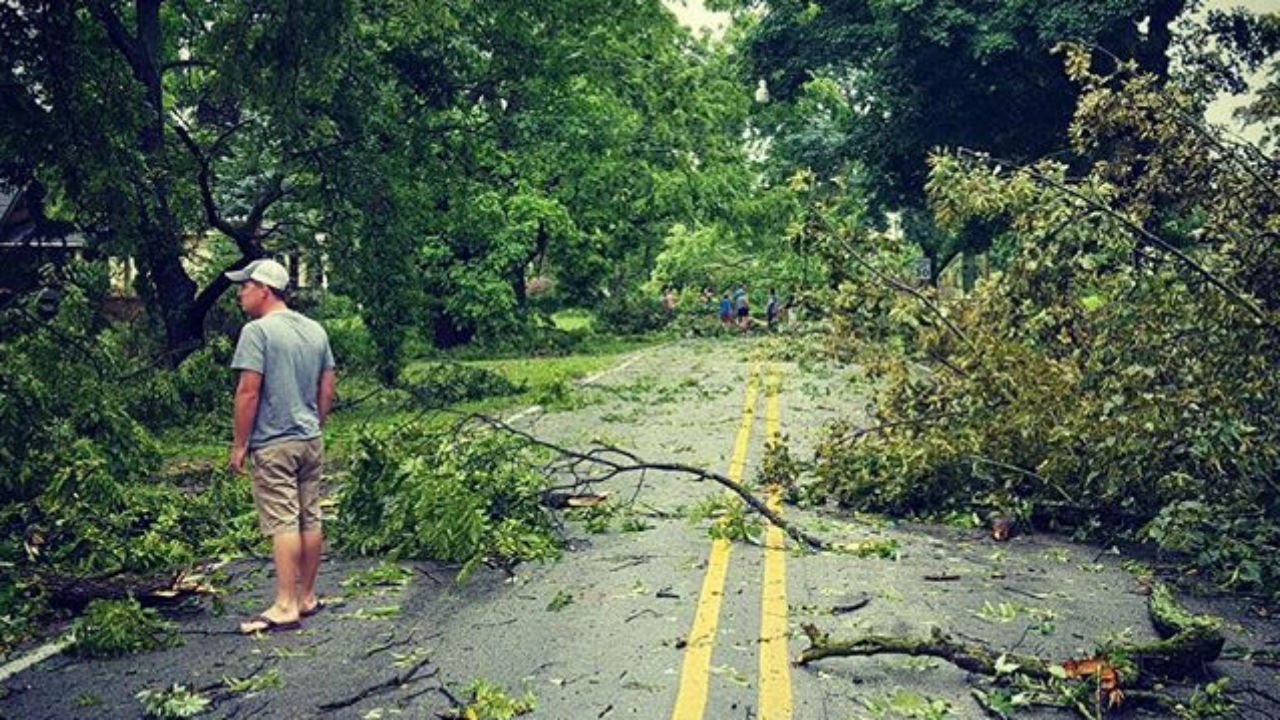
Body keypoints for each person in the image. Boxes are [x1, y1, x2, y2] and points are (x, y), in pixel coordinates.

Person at [226, 258, 337, 635]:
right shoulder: (314, 330)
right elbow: (327, 386)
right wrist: (315, 423)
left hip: (274, 441)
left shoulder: (257, 332)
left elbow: (248, 391)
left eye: (245, 286)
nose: (240, 293)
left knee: (283, 520)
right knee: (310, 515)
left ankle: (285, 604)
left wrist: (240, 444)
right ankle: (306, 596)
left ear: (264, 289)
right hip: (309, 438)